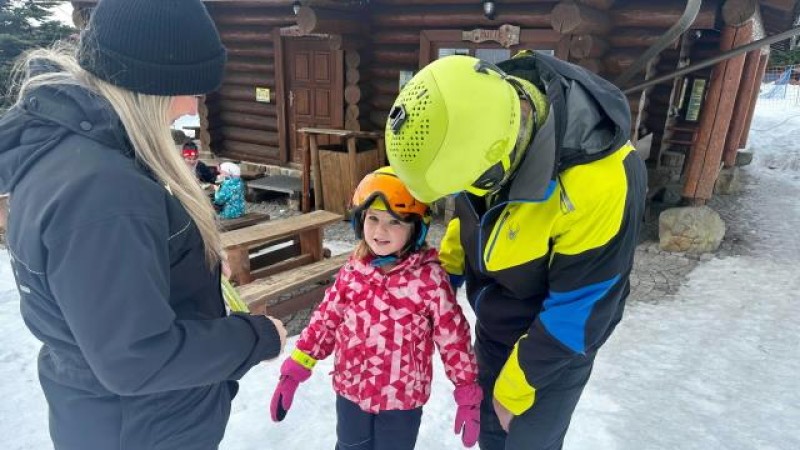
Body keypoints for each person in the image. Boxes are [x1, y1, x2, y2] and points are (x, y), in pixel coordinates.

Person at [0, 0, 287, 449]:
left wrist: (193, 267)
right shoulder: (103, 193)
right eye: (192, 88)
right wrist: (254, 338)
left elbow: (111, 285)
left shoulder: (90, 153)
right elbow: (138, 358)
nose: (195, 105)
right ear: (153, 82)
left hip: (129, 419)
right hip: (141, 429)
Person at [384, 53, 647, 450]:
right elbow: (470, 215)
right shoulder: (483, 111)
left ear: (497, 161)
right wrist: (441, 279)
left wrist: (515, 389)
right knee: (490, 434)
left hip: (555, 350)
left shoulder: (602, 181)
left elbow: (581, 309)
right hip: (496, 325)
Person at [269, 167, 483, 449]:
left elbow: (453, 339)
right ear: (360, 221)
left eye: (394, 222)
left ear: (415, 228)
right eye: (373, 218)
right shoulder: (353, 272)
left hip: (401, 402)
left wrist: (467, 390)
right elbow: (325, 322)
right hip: (351, 393)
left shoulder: (429, 281)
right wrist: (295, 368)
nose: (380, 231)